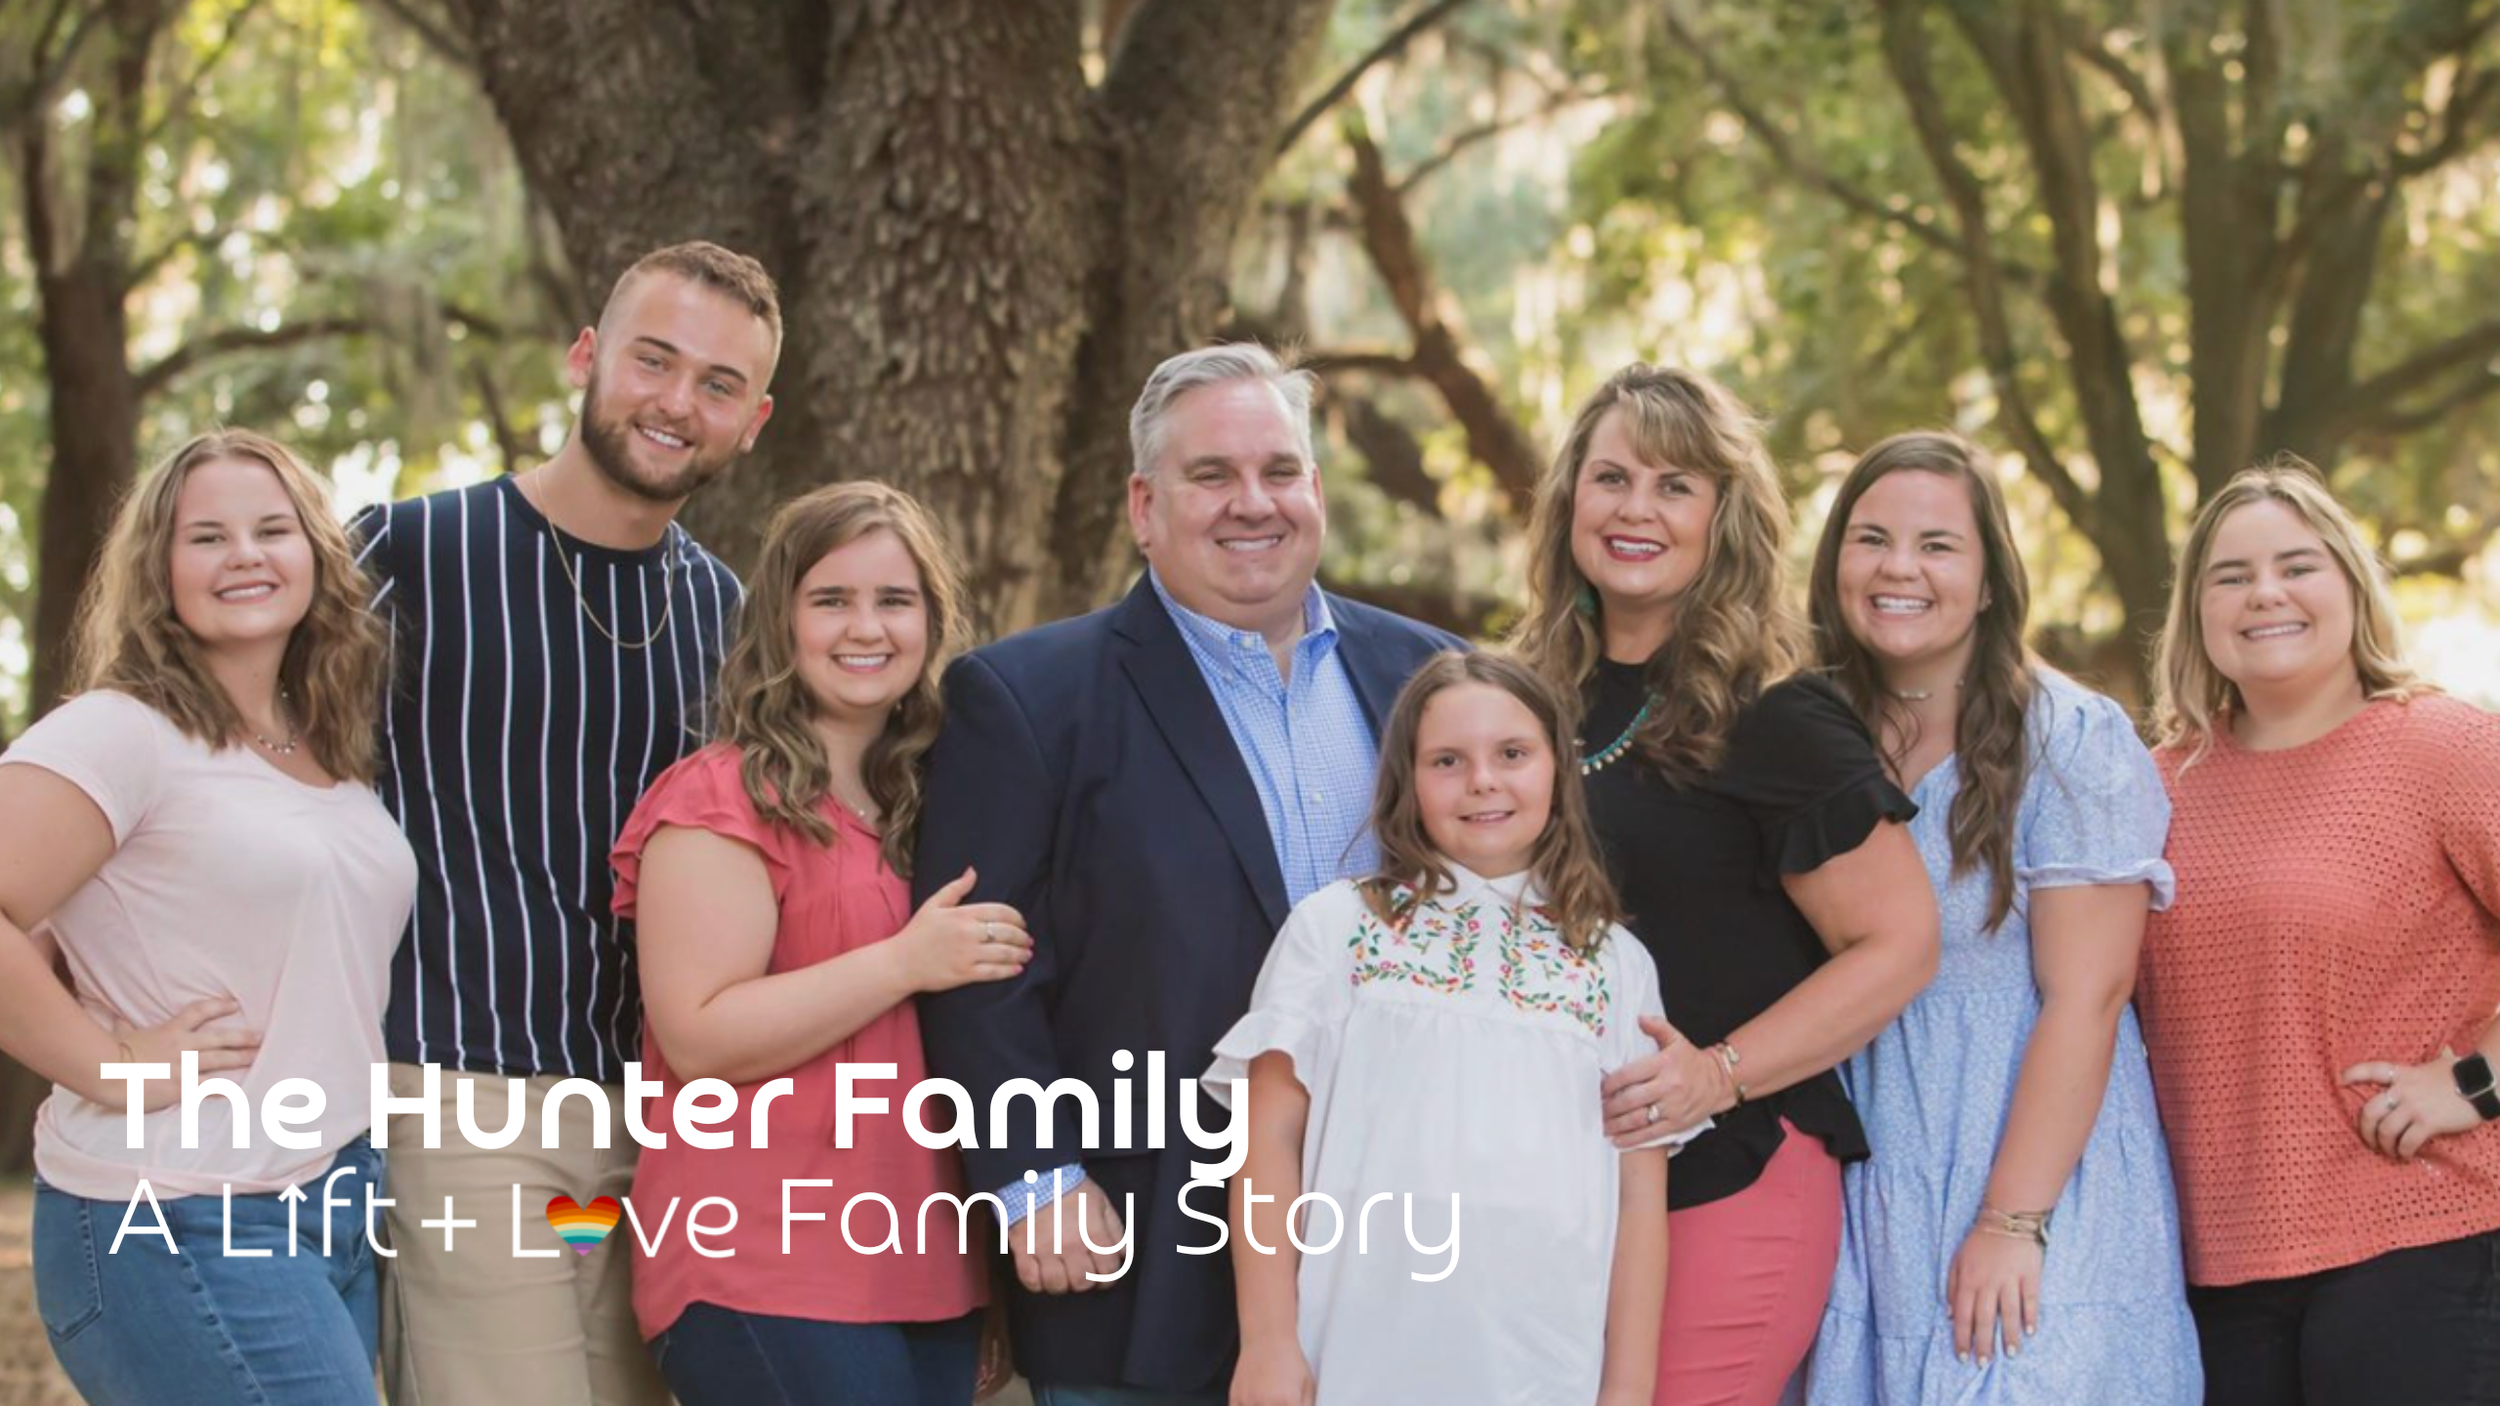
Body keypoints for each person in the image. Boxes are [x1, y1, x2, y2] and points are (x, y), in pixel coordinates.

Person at [914, 342, 1461, 1404]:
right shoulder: (1026, 698)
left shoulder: (1431, 678)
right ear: (1144, 505)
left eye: (1280, 470)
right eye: (1211, 474)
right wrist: (1032, 1178)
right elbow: (978, 970)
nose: (1252, 501)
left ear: (1315, 487)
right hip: (1143, 1252)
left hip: (1402, 1240)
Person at [355, 240, 774, 1406]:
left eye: (718, 384)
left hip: (656, 1126)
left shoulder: (725, 610)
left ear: (753, 421)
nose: (677, 401)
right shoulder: (408, 552)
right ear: (587, 356)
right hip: (462, 1100)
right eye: (653, 359)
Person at [1513, 363, 1939, 1406]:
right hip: (1563, 1179)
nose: (1636, 509)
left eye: (1675, 486)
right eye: (1612, 478)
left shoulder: (1775, 713)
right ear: (1569, 498)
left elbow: (1899, 943)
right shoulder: (1527, 699)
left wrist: (1717, 1073)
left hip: (1731, 1173)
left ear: (1724, 517)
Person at [0, 430, 415, 1403]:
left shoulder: (325, 751)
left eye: (272, 528)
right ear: (159, 567)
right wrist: (113, 1063)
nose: (244, 554)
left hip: (333, 1201)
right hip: (175, 1208)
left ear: (315, 553)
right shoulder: (120, 732)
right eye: (207, 536)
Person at [1799, 431, 2198, 1403]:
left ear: (1988, 581)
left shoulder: (2065, 737)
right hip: (1878, 1183)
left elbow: (2088, 996)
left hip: (2036, 1177)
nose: (1898, 567)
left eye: (1937, 544)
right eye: (1871, 539)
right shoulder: (1813, 735)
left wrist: (2011, 1220)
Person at [610, 481, 1021, 1404]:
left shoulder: (938, 803)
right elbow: (700, 1036)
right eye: (831, 600)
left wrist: (988, 1265)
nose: (864, 628)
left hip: (926, 1261)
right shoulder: (721, 798)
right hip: (760, 1257)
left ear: (931, 621)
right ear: (781, 622)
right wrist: (904, 961)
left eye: (894, 600)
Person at [1214, 650, 1693, 1406]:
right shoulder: (1335, 929)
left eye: (1513, 754)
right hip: (1356, 1351)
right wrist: (1269, 1341)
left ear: (1558, 770)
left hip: (1543, 1363)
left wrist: (1627, 1390)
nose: (1483, 781)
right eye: (1447, 760)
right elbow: (1266, 1143)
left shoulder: (1615, 964)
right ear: (1406, 782)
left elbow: (1639, 1198)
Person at [2140, 461, 2500, 1406]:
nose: (2265, 593)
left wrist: (2479, 1082)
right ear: (2197, 612)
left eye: (2297, 566)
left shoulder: (2442, 747)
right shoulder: (2151, 785)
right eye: (2231, 576)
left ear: (2352, 586)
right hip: (2207, 1266)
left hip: (2417, 1236)